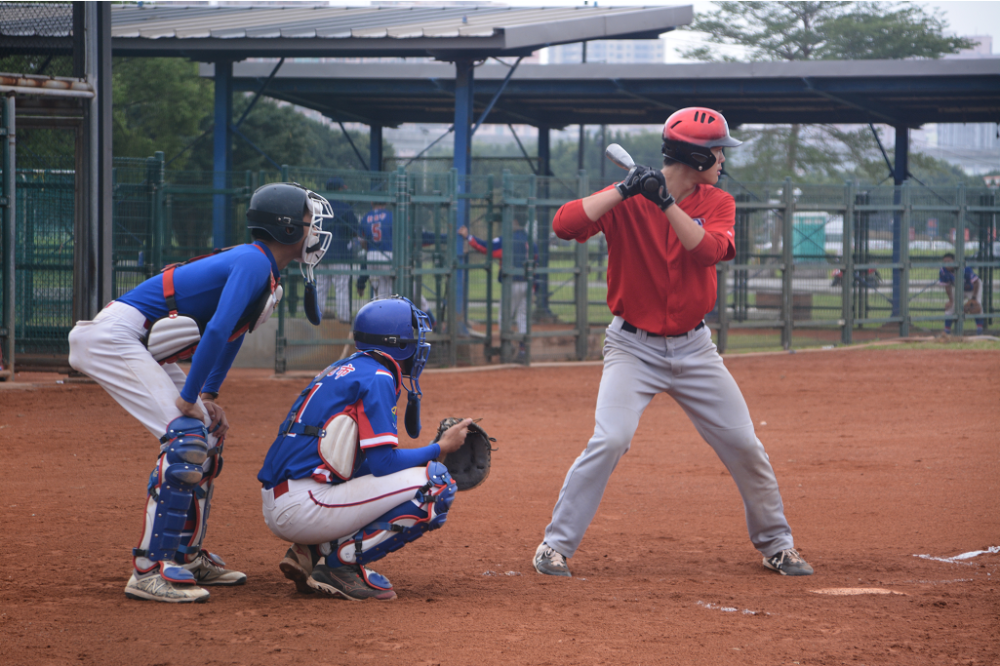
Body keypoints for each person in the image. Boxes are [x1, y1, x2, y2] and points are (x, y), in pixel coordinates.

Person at [532, 107, 814, 579]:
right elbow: (564, 225)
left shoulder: (718, 202)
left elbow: (707, 251)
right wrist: (623, 190)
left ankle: (777, 546)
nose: (722, 160)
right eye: (717, 151)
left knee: (745, 445)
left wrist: (665, 203)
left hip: (695, 349)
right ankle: (553, 546)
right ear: (696, 156)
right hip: (632, 349)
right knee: (611, 439)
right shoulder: (628, 199)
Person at [68, 182, 333, 603]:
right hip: (114, 337)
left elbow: (231, 336)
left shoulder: (266, 271)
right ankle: (149, 569)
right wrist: (188, 397)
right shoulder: (253, 261)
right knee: (186, 437)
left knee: (207, 433)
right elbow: (216, 329)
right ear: (285, 228)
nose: (314, 228)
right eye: (307, 220)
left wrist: (206, 397)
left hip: (138, 341)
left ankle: (185, 556)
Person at [258, 296, 472, 600]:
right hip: (306, 504)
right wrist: (439, 448)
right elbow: (385, 464)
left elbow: (363, 464)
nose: (418, 343)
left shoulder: (343, 369)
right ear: (396, 342)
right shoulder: (379, 377)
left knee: (380, 471)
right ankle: (338, 566)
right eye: (412, 335)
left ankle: (311, 550)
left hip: (287, 497)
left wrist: (428, 453)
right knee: (436, 484)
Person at [458, 218, 535, 358]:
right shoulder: (530, 241)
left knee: (504, 317)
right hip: (528, 284)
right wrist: (535, 287)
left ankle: (508, 347)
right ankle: (523, 351)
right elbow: (536, 263)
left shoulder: (507, 239)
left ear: (515, 222)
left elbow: (487, 248)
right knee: (522, 317)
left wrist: (469, 237)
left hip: (512, 283)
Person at [315, 177, 360, 323]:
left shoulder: (319, 208)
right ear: (339, 189)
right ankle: (343, 319)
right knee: (341, 288)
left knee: (320, 288)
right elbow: (355, 231)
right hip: (340, 254)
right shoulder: (345, 208)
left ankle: (316, 318)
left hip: (320, 254)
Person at [940, 252, 984, 335]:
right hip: (959, 288)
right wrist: (951, 300)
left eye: (949, 261)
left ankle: (979, 330)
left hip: (973, 288)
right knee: (951, 306)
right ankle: (946, 331)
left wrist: (974, 298)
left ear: (954, 261)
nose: (947, 264)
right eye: (945, 262)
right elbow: (947, 286)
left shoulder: (965, 269)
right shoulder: (943, 271)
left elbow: (976, 283)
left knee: (976, 305)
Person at [358, 202, 394, 301]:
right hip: (388, 254)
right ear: (386, 202)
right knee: (392, 290)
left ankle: (378, 310)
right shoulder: (391, 216)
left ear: (371, 202)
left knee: (377, 291)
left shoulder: (366, 217)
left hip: (371, 255)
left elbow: (362, 242)